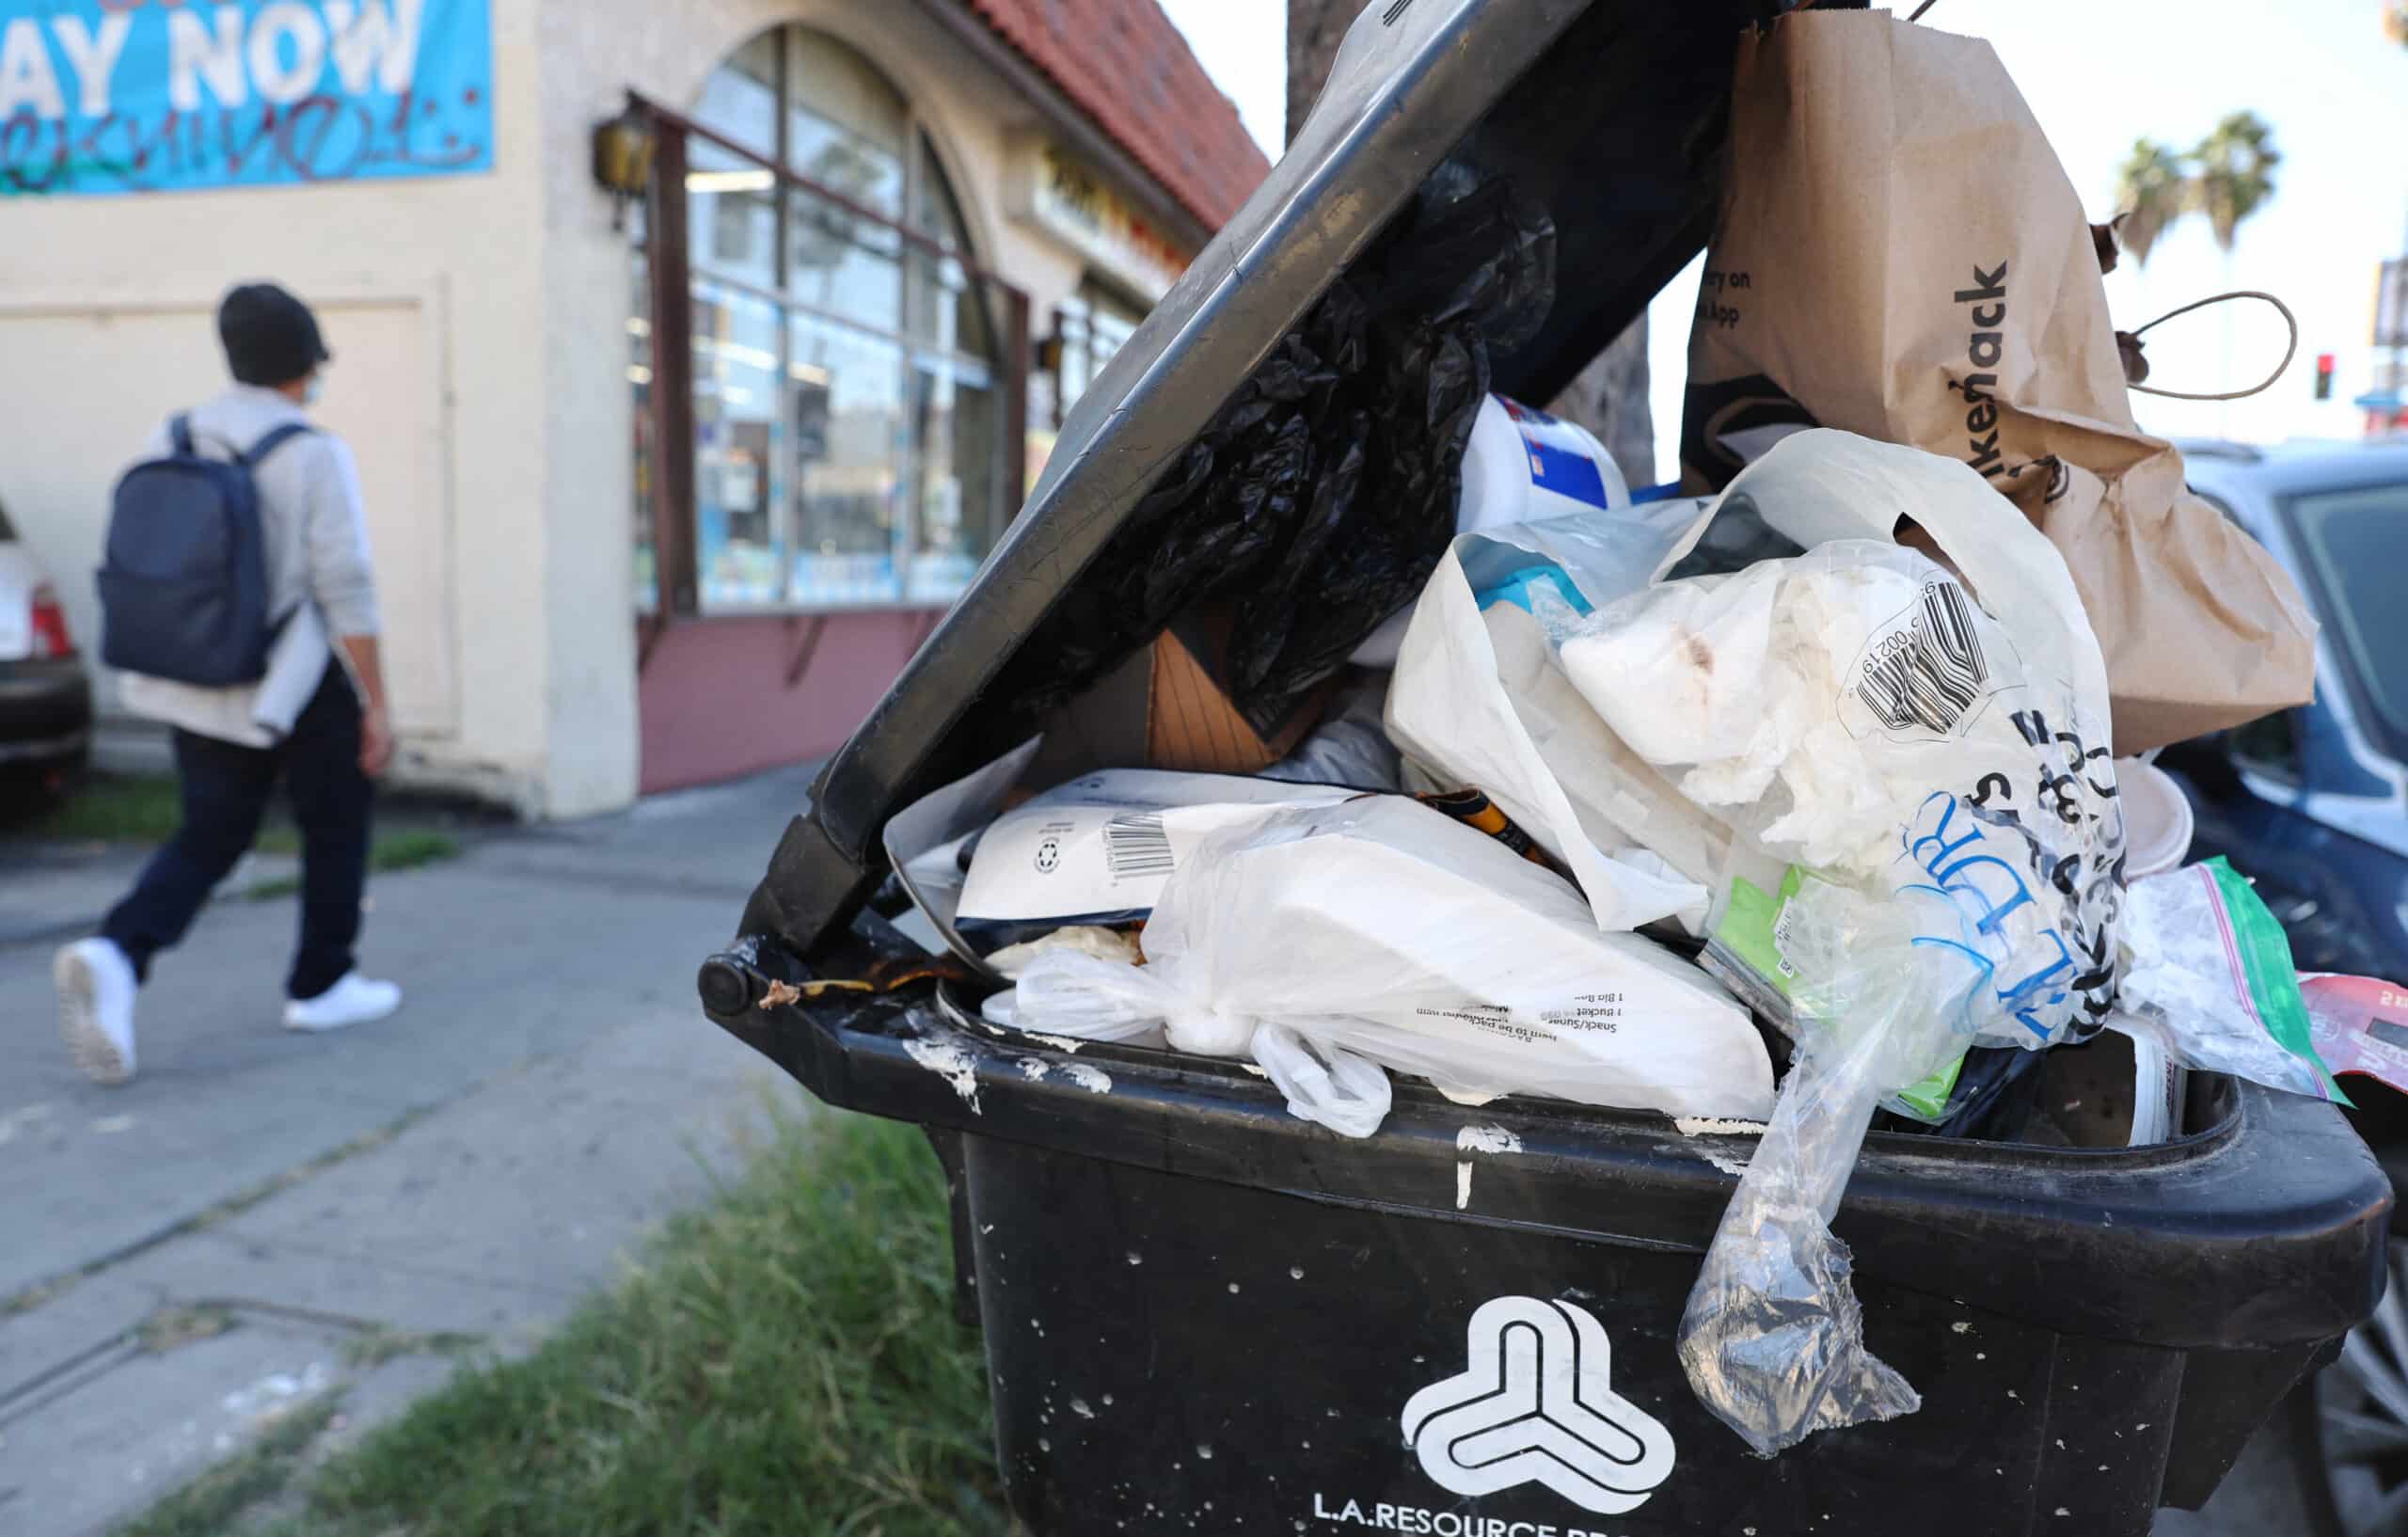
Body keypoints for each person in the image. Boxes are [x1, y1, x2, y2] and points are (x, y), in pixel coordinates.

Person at [55, 283, 404, 1087]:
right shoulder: (311, 451)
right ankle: (323, 984)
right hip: (289, 675)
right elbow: (345, 587)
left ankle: (118, 952)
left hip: (192, 674)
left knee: (210, 832)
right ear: (306, 359)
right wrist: (377, 705)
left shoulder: (173, 432)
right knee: (337, 819)